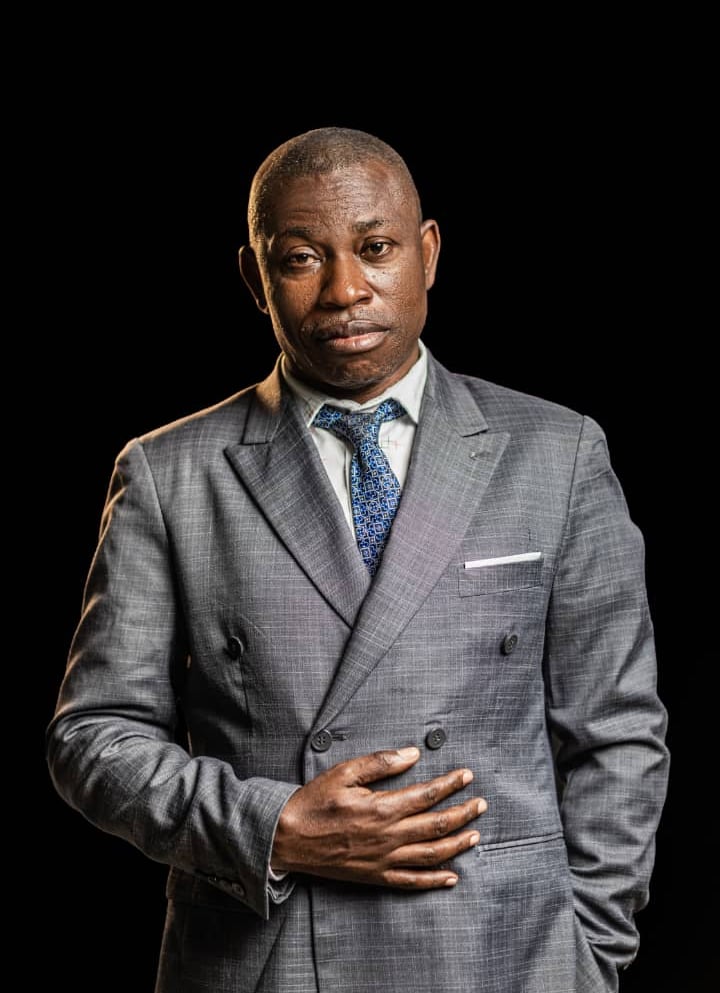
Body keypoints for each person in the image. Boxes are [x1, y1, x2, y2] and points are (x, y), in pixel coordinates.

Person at [46, 126, 669, 993]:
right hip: (268, 960)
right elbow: (91, 736)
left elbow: (618, 733)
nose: (344, 290)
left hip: (505, 957)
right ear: (255, 279)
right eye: (301, 258)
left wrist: (588, 959)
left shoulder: (556, 454)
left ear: (428, 253)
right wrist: (273, 827)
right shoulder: (169, 472)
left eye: (375, 249)